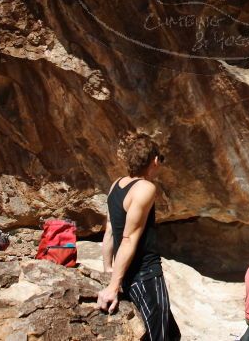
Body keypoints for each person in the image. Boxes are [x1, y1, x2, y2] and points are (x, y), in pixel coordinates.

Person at [98, 133, 180, 341]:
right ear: (154, 160)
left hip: (128, 274)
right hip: (146, 275)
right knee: (159, 336)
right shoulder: (145, 188)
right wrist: (113, 286)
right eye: (159, 159)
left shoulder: (116, 185)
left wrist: (108, 269)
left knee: (172, 333)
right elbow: (128, 238)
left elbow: (109, 231)